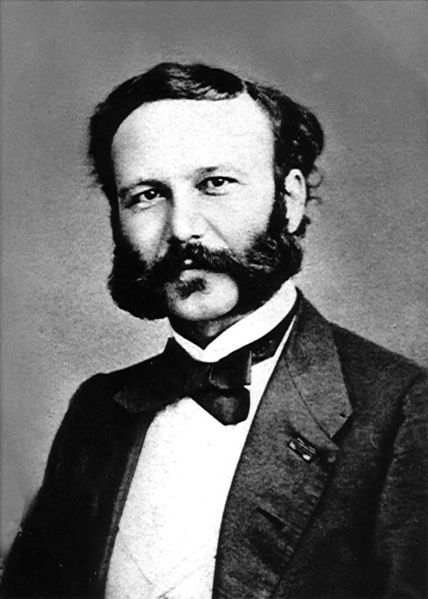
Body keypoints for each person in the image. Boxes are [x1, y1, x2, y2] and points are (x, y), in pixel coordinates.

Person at [1, 62, 426, 599]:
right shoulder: (96, 411)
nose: (182, 229)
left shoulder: (404, 412)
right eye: (147, 195)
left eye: (215, 184)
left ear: (290, 200)